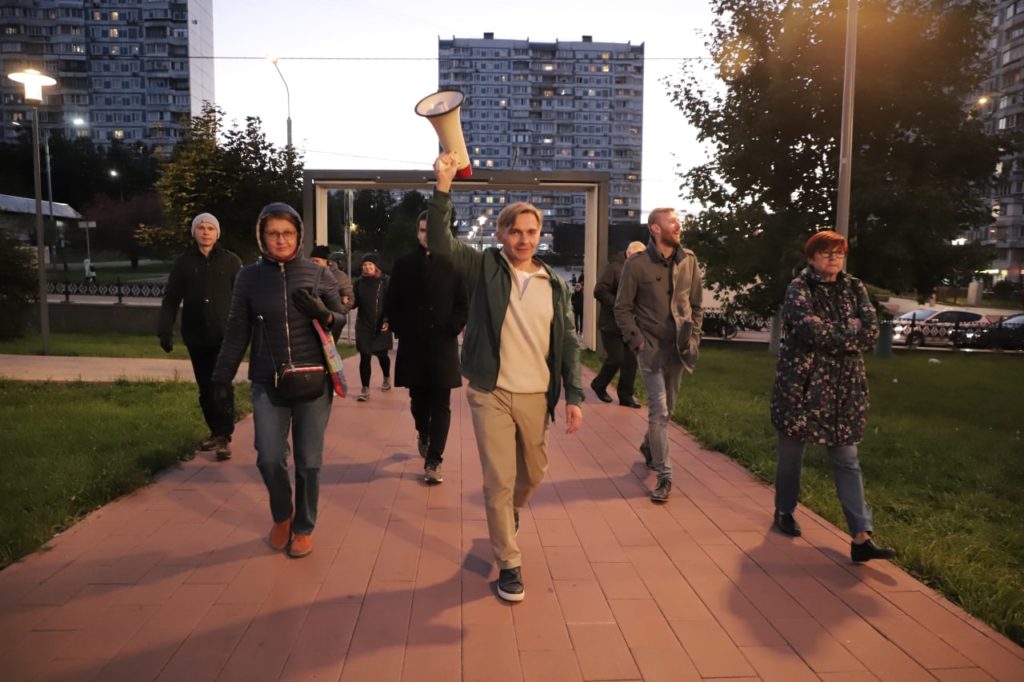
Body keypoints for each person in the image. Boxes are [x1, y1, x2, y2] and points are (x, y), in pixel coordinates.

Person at [428, 151, 584, 603]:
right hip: (490, 391)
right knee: (498, 478)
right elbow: (441, 243)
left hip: (536, 393)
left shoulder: (554, 284)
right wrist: (443, 186)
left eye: (531, 232)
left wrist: (574, 395)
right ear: (501, 234)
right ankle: (509, 563)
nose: (523, 239)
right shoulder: (484, 269)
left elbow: (569, 341)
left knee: (532, 474)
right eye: (515, 231)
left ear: (540, 235)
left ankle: (511, 511)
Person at [210, 202, 345, 559]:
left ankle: (304, 527)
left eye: (287, 233)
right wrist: (221, 377)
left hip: (313, 380)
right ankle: (283, 514)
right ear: (262, 237)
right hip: (268, 381)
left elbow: (340, 318)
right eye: (273, 233)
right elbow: (237, 331)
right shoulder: (249, 278)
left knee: (309, 461)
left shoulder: (318, 274)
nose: (281, 239)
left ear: (299, 235)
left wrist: (325, 315)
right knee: (269, 457)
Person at [770, 230, 898, 563]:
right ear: (811, 257)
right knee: (791, 456)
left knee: (847, 459)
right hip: (801, 387)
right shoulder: (799, 288)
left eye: (839, 253)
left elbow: (870, 330)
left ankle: (861, 537)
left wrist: (839, 330)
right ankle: (784, 510)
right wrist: (849, 328)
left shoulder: (854, 287)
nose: (833, 258)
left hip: (843, 390)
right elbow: (808, 329)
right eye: (826, 252)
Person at [614, 208, 703, 502]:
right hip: (650, 349)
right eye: (672, 221)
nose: (678, 225)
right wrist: (637, 341)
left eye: (678, 221)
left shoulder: (689, 260)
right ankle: (665, 477)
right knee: (660, 411)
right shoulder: (637, 264)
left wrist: (694, 338)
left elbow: (696, 306)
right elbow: (622, 308)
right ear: (655, 228)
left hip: (680, 348)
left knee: (669, 409)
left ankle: (649, 445)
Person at [385, 210, 469, 484]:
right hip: (413, 344)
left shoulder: (454, 264)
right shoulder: (404, 264)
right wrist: (401, 328)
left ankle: (434, 460)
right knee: (418, 400)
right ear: (417, 233)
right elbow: (392, 302)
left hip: (443, 344)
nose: (427, 236)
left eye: (432, 231)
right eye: (422, 230)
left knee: (441, 403)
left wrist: (452, 327)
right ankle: (423, 431)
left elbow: (463, 303)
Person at [157, 212, 242, 462]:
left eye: (210, 228)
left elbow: (242, 297)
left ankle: (224, 436)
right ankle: (215, 431)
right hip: (196, 335)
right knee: (205, 388)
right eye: (201, 228)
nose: (206, 232)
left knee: (221, 385)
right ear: (194, 232)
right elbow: (171, 299)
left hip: (224, 336)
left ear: (217, 233)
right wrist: (165, 330)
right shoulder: (184, 263)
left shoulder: (231, 261)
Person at [590, 241, 645, 409]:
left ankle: (626, 396)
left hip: (630, 326)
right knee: (616, 358)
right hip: (611, 325)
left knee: (630, 362)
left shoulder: (638, 271)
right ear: (629, 254)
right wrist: (619, 304)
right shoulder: (614, 268)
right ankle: (599, 384)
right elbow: (599, 291)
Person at [351, 253, 394, 401]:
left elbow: (390, 302)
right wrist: (346, 301)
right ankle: (365, 389)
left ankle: (386, 377)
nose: (367, 267)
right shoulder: (358, 283)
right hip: (363, 325)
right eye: (364, 265)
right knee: (365, 356)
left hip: (381, 324)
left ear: (376, 266)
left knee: (382, 356)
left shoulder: (385, 281)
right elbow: (354, 303)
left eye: (370, 264)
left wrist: (387, 319)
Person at [310, 245, 354, 315]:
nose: (314, 263)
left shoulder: (339, 276)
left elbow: (350, 299)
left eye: (317, 261)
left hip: (332, 317)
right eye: (312, 261)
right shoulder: (309, 275)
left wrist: (337, 315)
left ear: (326, 261)